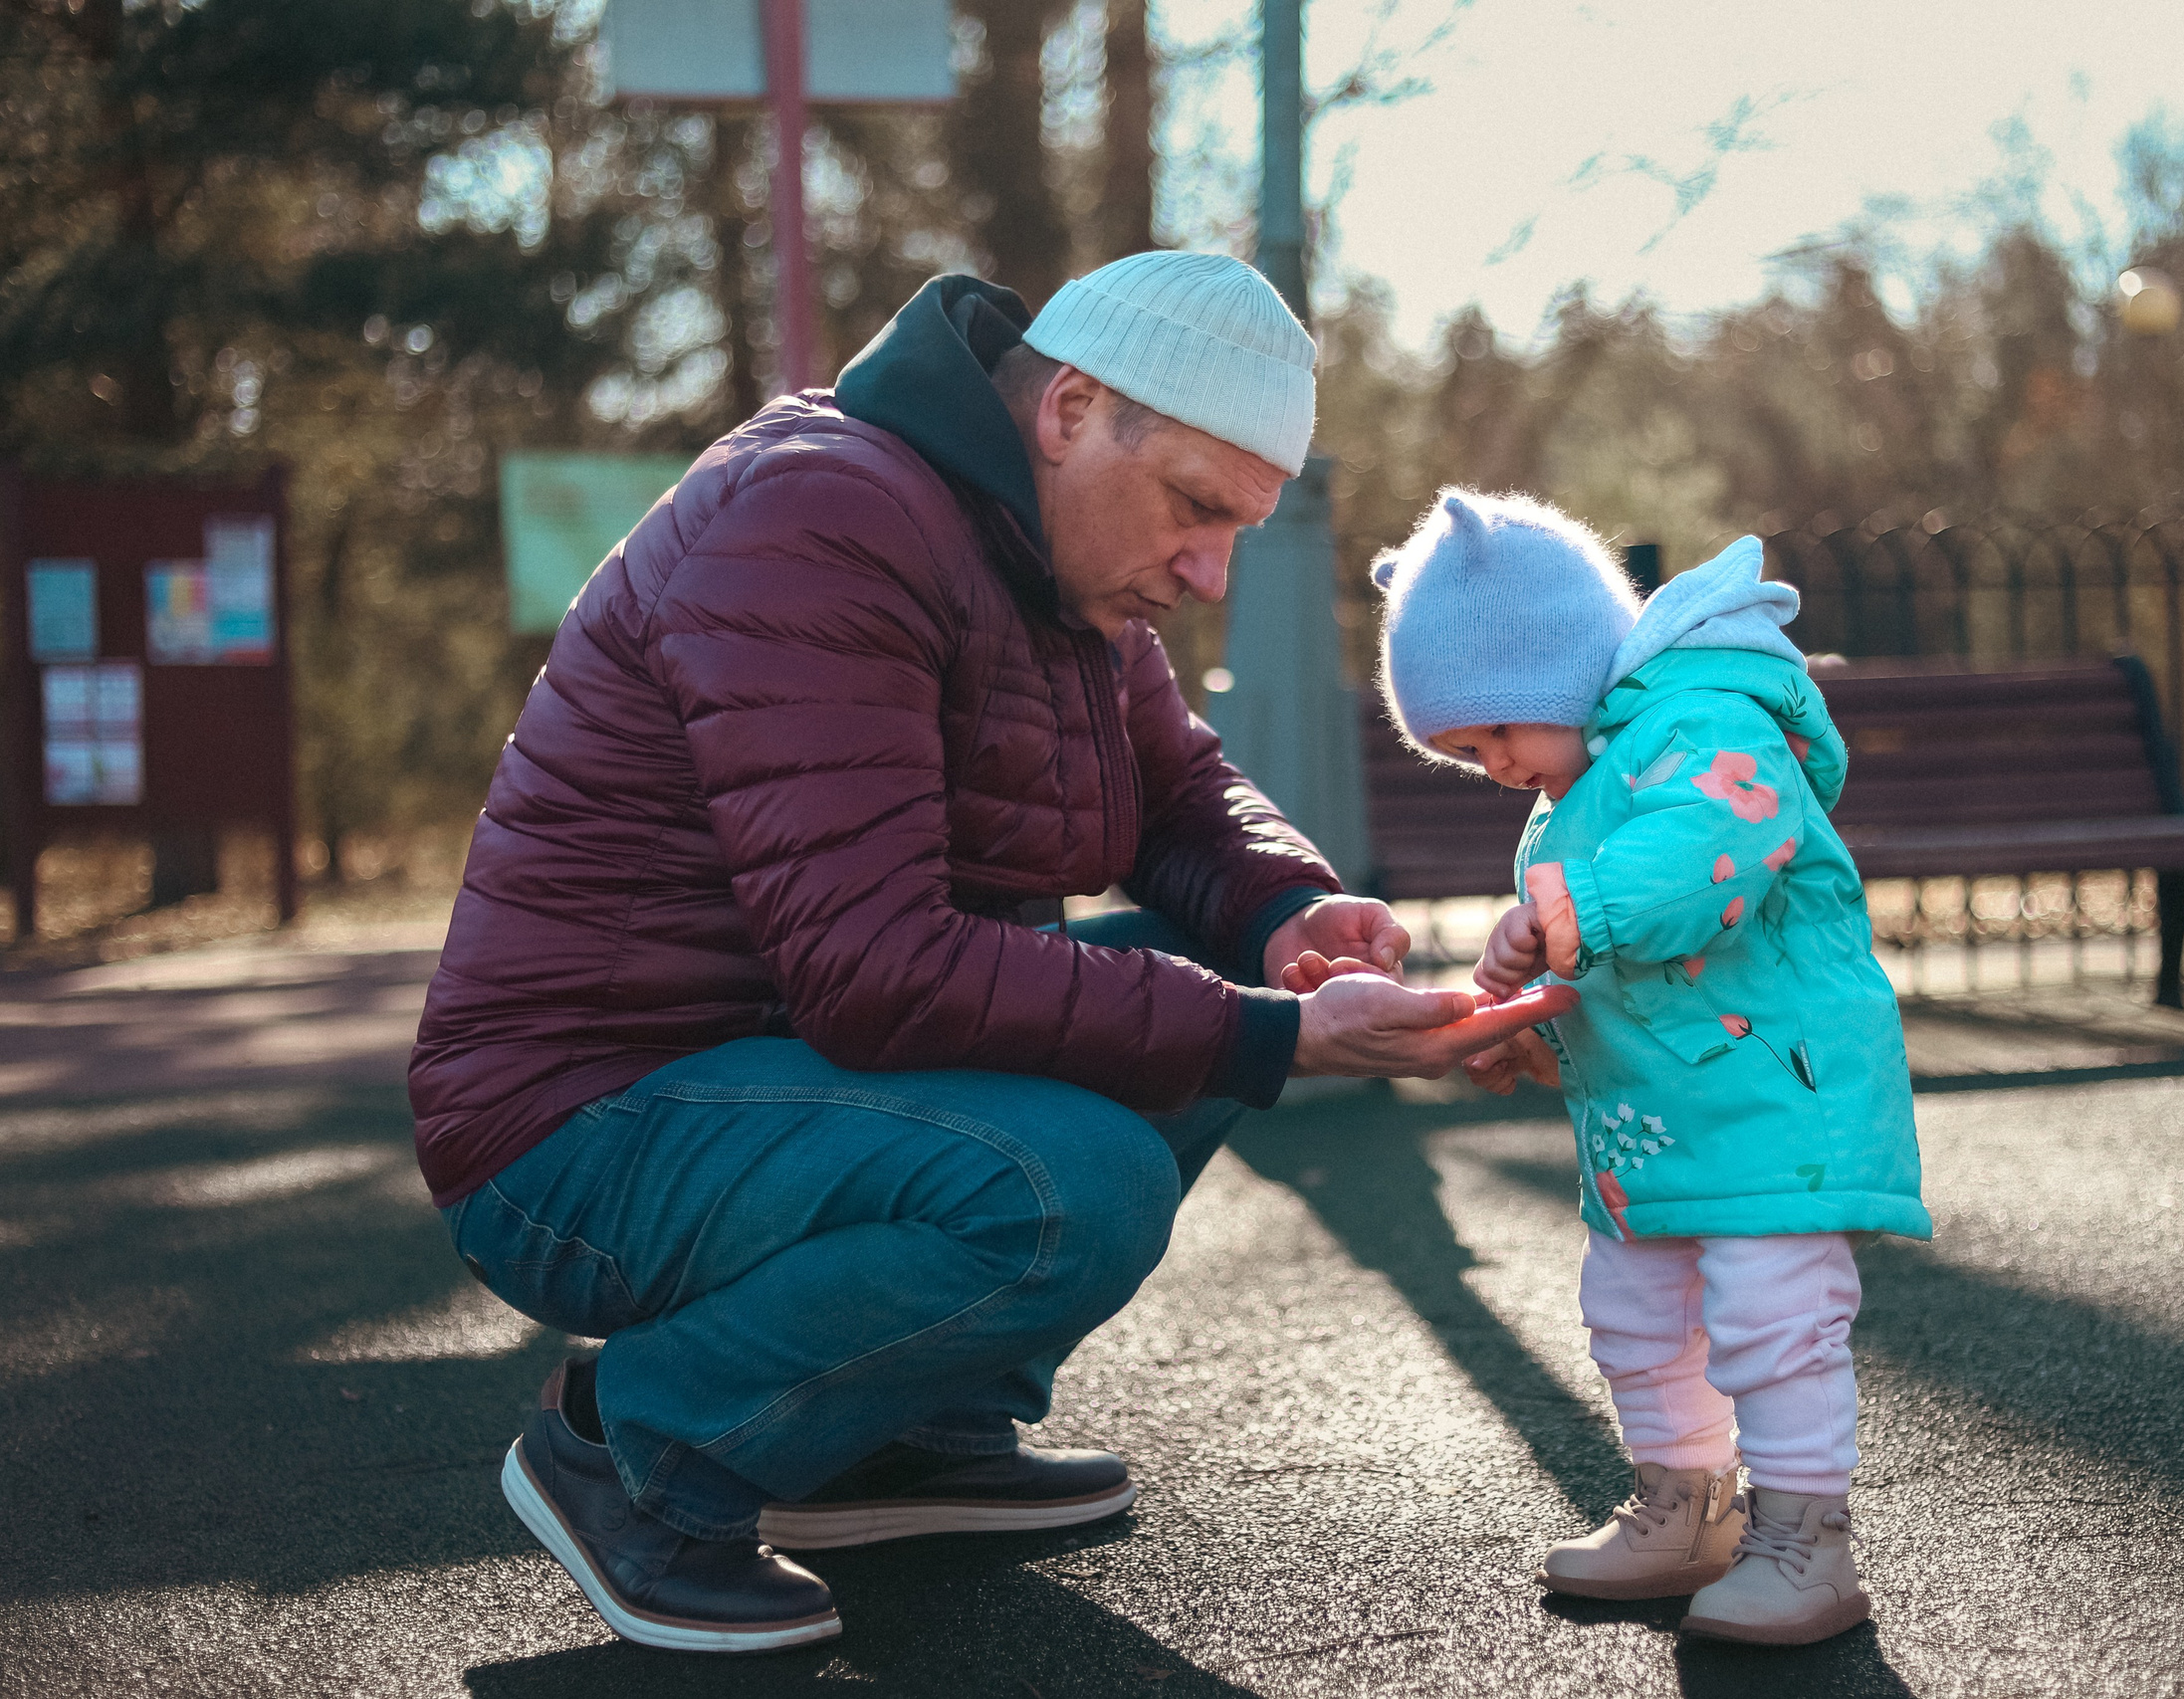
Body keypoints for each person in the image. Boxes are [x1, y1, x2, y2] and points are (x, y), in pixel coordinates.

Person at [409, 254, 1558, 1653]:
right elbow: (874, 965)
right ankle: (639, 1448)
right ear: (1070, 410)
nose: (1209, 571)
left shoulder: (1053, 554)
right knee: (1077, 1179)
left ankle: (889, 1435)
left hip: (769, 1070)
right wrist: (1267, 1033)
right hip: (577, 1130)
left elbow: (1182, 792)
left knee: (1190, 1012)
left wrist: (1289, 919)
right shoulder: (822, 512)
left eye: (1240, 528)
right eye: (1198, 508)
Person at [1369, 490, 1928, 1647]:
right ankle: (1685, 1505)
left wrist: (1567, 917)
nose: (1488, 767)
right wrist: (1530, 1018)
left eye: (1489, 735)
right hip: (1655, 1125)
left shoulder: (1707, 720)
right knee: (1633, 1313)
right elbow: (1608, 955)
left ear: (1556, 669)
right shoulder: (1578, 782)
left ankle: (1805, 1538)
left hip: (1777, 1101)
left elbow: (1706, 855)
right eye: (1462, 752)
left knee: (1774, 1318)